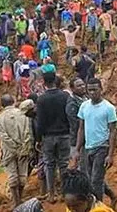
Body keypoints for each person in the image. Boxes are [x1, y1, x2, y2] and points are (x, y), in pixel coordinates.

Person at [75, 78, 117, 203]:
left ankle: (97, 206)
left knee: (95, 181)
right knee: (92, 178)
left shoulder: (108, 108)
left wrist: (110, 154)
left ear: (101, 90)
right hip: (88, 147)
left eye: (95, 89)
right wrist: (77, 149)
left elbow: (113, 131)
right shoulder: (84, 106)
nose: (92, 93)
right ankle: (112, 195)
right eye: (90, 90)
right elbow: (81, 128)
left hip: (102, 147)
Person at [36, 72, 71, 203]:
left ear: (44, 83)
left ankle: (51, 193)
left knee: (49, 165)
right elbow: (69, 116)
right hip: (64, 135)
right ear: (56, 81)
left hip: (48, 137)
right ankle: (64, 192)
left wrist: (38, 139)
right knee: (64, 164)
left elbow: (40, 122)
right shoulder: (65, 96)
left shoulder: (41, 99)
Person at [0, 94, 32, 206]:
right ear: (14, 101)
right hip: (23, 149)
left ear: (2, 105)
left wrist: (13, 146)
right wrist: (22, 146)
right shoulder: (23, 115)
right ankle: (20, 198)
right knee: (22, 176)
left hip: (8, 151)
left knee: (12, 177)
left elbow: (2, 136)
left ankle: (16, 202)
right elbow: (28, 132)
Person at [67, 78, 87, 165]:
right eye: (79, 86)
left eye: (83, 84)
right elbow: (75, 125)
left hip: (88, 139)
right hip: (78, 141)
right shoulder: (72, 104)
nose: (82, 87)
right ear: (72, 89)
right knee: (79, 166)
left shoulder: (86, 98)